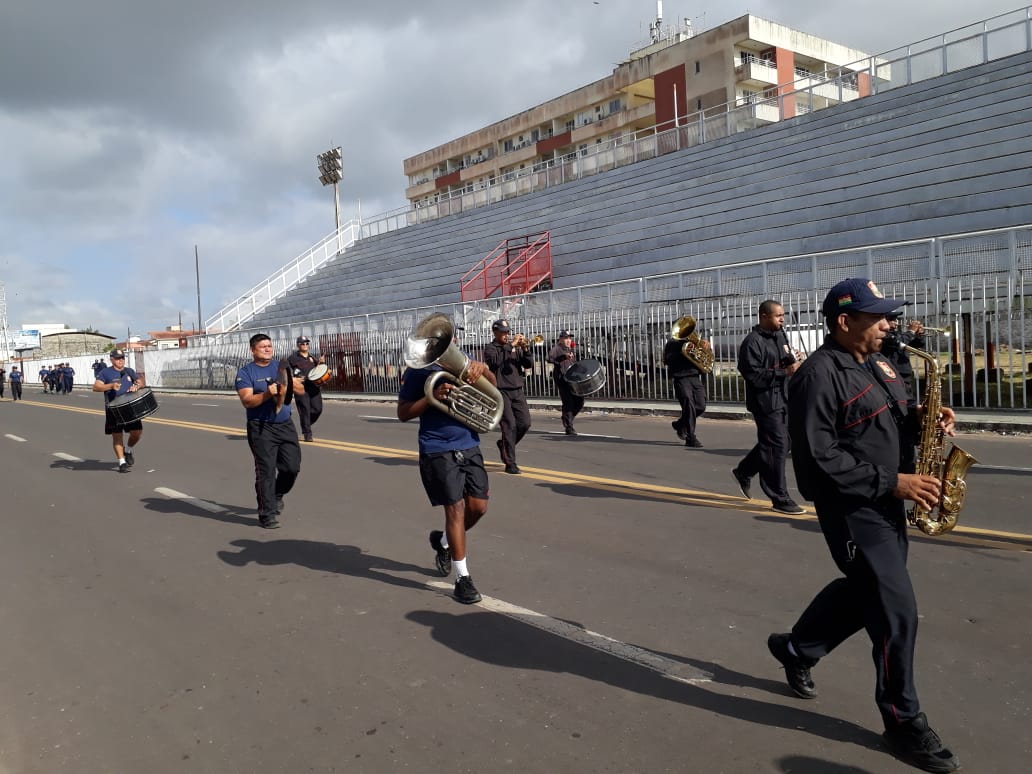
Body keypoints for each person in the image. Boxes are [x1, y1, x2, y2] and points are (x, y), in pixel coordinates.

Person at [769, 278, 960, 773]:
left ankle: (797, 649)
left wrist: (926, 419)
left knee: (866, 591)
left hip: (887, 501)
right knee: (897, 609)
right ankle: (902, 720)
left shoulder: (880, 363)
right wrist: (891, 482)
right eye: (879, 317)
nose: (889, 324)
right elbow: (816, 461)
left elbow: (886, 422)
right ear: (843, 322)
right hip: (854, 509)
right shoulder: (816, 376)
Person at [397, 326, 497, 604]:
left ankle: (443, 542)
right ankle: (462, 578)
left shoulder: (463, 362)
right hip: (437, 448)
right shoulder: (417, 372)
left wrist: (484, 369)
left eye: (446, 340)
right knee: (455, 509)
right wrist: (432, 397)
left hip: (469, 442)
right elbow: (403, 413)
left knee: (479, 507)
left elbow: (492, 392)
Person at [732, 300, 805, 514]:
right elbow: (753, 376)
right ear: (763, 316)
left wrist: (793, 358)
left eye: (783, 315)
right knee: (776, 446)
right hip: (765, 403)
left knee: (783, 441)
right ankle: (779, 497)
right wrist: (784, 372)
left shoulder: (780, 336)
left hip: (784, 397)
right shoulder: (752, 343)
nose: (782, 319)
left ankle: (744, 471)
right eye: (778, 315)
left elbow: (780, 362)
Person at [235, 333, 303, 529]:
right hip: (260, 427)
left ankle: (277, 494)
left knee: (292, 467)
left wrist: (296, 385)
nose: (267, 349)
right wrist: (267, 393)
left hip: (284, 424)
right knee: (265, 471)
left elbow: (297, 389)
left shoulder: (281, 367)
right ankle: (267, 513)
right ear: (252, 350)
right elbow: (247, 401)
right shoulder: (246, 373)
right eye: (263, 346)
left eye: (269, 346)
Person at [483, 319, 533, 474]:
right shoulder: (491, 348)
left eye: (508, 332)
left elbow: (528, 364)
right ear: (495, 332)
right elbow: (495, 362)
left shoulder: (515, 348)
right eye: (503, 332)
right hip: (501, 391)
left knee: (525, 423)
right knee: (509, 425)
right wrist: (510, 346)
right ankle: (510, 462)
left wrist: (525, 349)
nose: (507, 335)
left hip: (517, 389)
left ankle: (504, 445)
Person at [93, 350, 145, 473]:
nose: (120, 360)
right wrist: (110, 386)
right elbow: (96, 387)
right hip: (114, 409)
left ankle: (128, 450)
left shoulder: (129, 371)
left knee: (137, 433)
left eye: (122, 358)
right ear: (111, 359)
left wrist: (137, 386)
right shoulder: (105, 372)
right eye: (117, 358)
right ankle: (122, 463)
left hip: (130, 407)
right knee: (117, 436)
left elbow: (141, 382)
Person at [663, 327, 707, 448]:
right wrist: (683, 352)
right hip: (681, 377)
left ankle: (680, 424)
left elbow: (703, 358)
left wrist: (704, 347)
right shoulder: (672, 344)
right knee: (689, 405)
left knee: (701, 406)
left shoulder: (695, 343)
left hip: (694, 377)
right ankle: (690, 437)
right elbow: (668, 360)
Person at [287, 335, 324, 442]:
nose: (305, 345)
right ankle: (307, 433)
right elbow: (287, 372)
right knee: (304, 410)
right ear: (298, 345)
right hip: (301, 388)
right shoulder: (292, 358)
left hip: (313, 386)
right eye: (303, 343)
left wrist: (321, 362)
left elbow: (319, 370)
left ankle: (306, 423)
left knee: (317, 409)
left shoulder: (312, 357)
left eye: (307, 343)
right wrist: (293, 379)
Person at [547, 330, 584, 435]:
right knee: (568, 402)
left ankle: (567, 418)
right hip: (562, 378)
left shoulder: (570, 350)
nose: (568, 340)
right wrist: (563, 357)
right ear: (561, 339)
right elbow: (549, 358)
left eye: (569, 338)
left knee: (579, 401)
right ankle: (569, 427)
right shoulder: (556, 349)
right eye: (566, 338)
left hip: (572, 379)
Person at [883, 315, 927, 399]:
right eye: (892, 319)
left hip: (905, 374)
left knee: (908, 400)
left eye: (895, 319)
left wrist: (919, 336)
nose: (895, 322)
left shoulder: (898, 334)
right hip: (893, 373)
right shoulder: (885, 336)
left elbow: (917, 345)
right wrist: (911, 331)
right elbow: (898, 342)